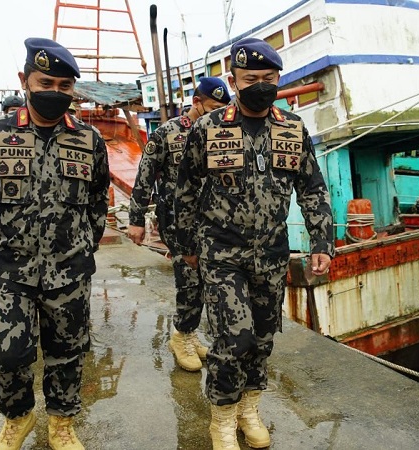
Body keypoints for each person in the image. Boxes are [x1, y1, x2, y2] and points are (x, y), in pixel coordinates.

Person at [0, 38, 109, 450]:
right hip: (8, 270)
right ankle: (18, 416)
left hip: (69, 269)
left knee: (68, 352)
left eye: (64, 87)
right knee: (7, 355)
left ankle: (62, 422)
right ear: (24, 81)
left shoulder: (89, 140)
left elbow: (96, 201)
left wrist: (85, 247)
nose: (55, 93)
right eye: (46, 82)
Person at [174, 38, 334, 449]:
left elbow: (312, 189)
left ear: (278, 79)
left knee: (262, 338)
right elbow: (186, 190)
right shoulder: (208, 129)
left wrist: (321, 242)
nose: (260, 84)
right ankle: (223, 419)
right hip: (220, 251)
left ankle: (249, 408)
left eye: (267, 78)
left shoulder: (293, 129)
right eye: (250, 79)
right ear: (234, 80)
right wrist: (185, 244)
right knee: (235, 337)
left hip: (271, 251)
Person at [127, 77, 229, 372]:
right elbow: (144, 176)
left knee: (211, 281)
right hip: (177, 220)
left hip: (214, 219)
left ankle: (190, 332)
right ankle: (182, 336)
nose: (217, 114)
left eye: (223, 108)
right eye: (212, 107)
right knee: (190, 278)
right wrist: (136, 221)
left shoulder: (224, 133)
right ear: (196, 103)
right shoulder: (167, 134)